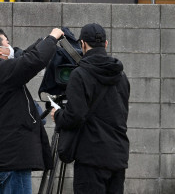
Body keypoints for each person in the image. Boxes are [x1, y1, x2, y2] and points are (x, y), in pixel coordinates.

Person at [0, 26, 64, 194]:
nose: (11, 47)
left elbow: (25, 57)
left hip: (6, 156)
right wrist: (52, 38)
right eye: (8, 43)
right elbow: (32, 61)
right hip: (13, 158)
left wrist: (44, 41)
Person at [53, 23, 130, 194]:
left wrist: (58, 115)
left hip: (91, 157)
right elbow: (122, 113)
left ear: (82, 44)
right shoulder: (121, 75)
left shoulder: (80, 74)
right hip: (118, 155)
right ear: (106, 44)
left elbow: (75, 116)